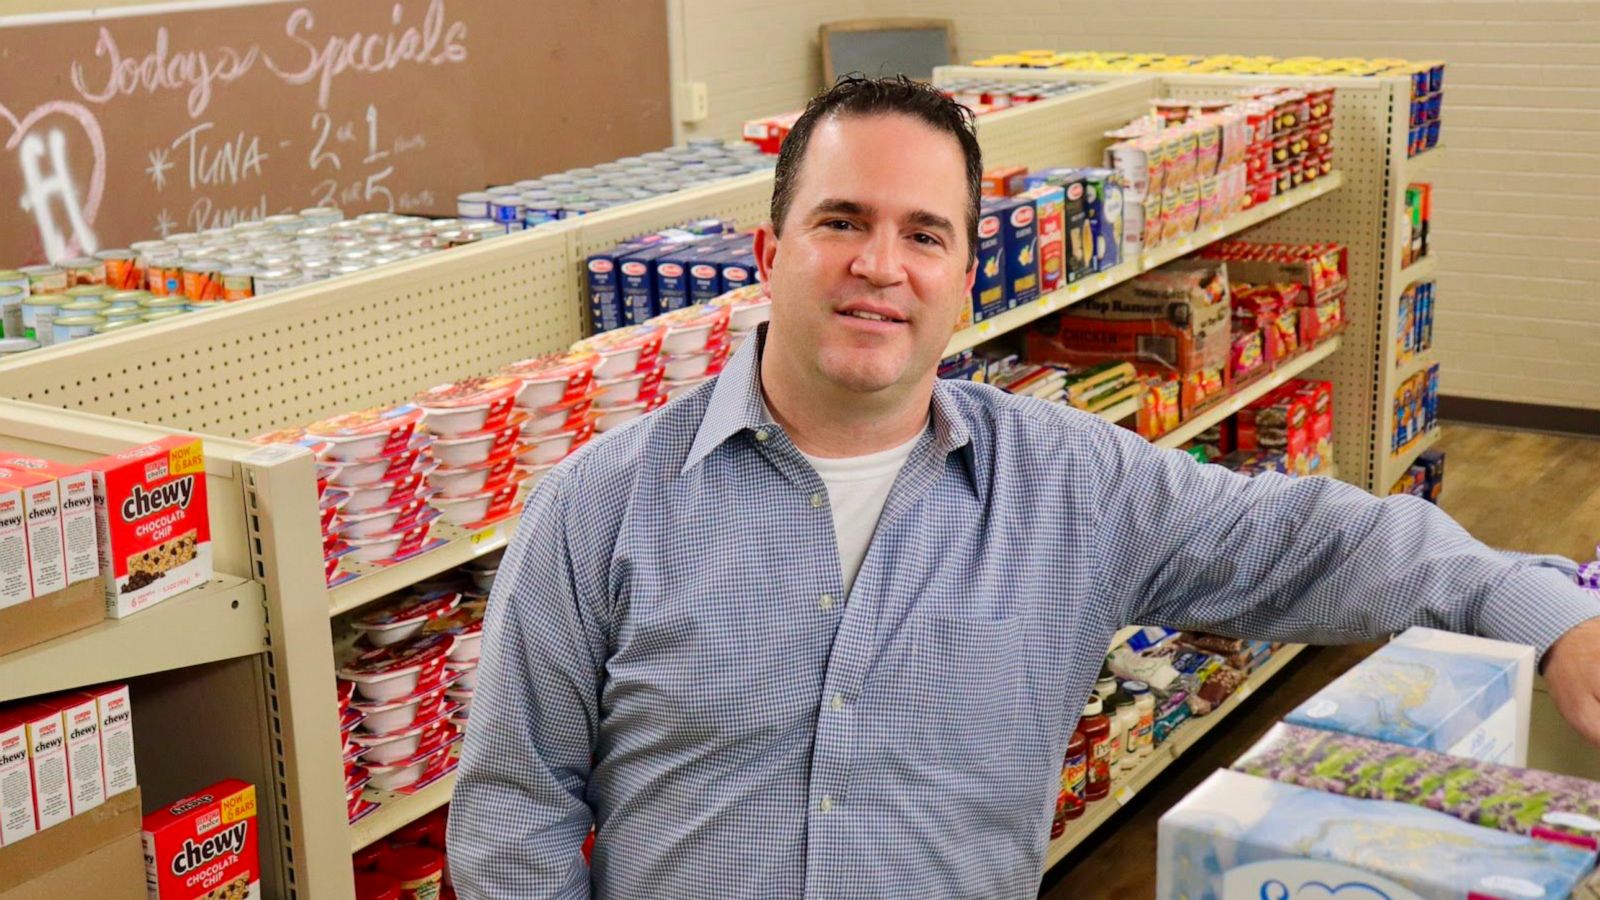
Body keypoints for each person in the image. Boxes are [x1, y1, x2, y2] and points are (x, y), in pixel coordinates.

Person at [449, 75, 1600, 899]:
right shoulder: (597, 506)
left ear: (963, 273)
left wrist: (1544, 614)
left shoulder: (1069, 486)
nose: (879, 266)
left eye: (923, 234)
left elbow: (1318, 538)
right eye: (840, 222)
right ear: (770, 253)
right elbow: (514, 807)